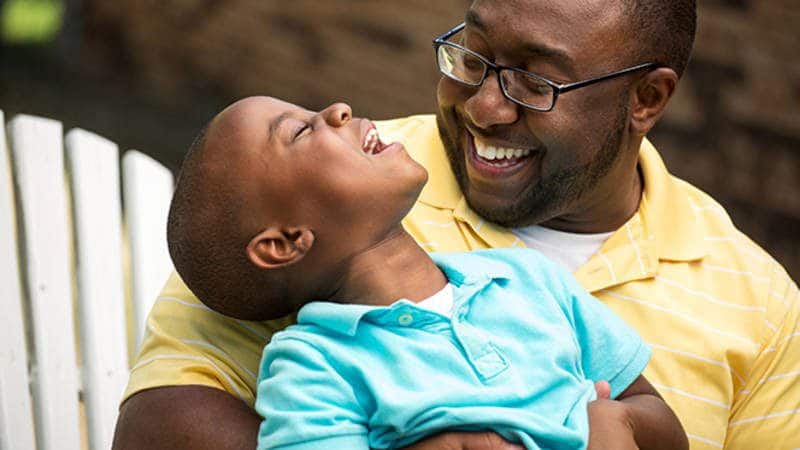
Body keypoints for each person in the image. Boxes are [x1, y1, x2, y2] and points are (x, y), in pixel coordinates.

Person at [113, 1, 800, 449]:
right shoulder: (318, 208)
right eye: (471, 55)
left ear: (646, 98)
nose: (485, 107)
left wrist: (615, 428)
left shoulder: (760, 308)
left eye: (537, 83)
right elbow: (160, 422)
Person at [164, 95, 687, 450]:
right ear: (283, 243)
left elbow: (658, 418)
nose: (338, 109)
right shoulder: (314, 369)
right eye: (301, 130)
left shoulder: (525, 279)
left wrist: (615, 422)